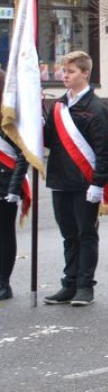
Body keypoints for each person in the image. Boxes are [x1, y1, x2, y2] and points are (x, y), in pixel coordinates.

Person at [42, 51, 108, 307]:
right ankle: (69, 284)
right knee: (68, 236)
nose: (64, 76)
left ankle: (85, 286)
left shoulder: (97, 109)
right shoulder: (59, 106)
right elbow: (49, 140)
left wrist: (98, 183)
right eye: (63, 71)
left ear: (85, 73)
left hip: (85, 183)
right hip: (60, 180)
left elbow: (104, 152)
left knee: (86, 235)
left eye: (70, 71)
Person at [0, 70, 28, 301]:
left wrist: (14, 186)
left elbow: (22, 154)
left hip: (4, 181)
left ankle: (3, 282)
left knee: (4, 233)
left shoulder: (8, 117)